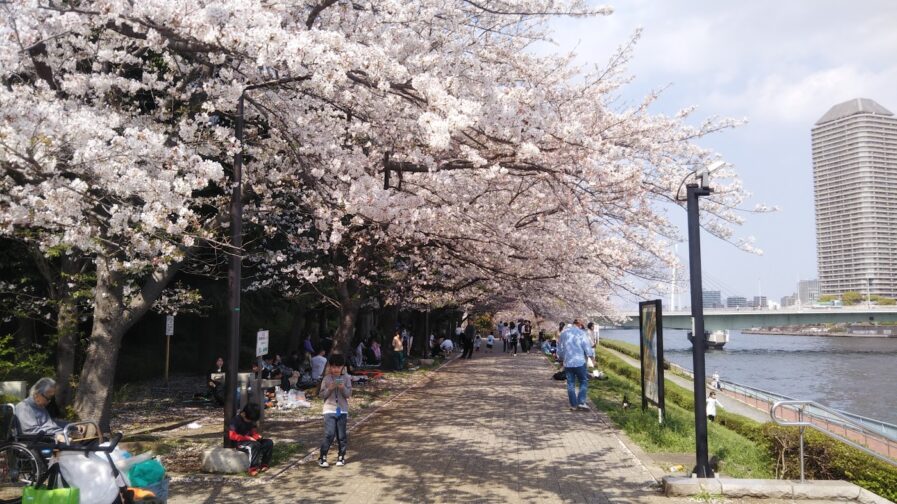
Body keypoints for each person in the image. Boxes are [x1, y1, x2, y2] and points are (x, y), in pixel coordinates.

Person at [318, 354, 352, 467]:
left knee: (341, 435)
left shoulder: (346, 378)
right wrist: (330, 388)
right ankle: (322, 456)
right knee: (329, 434)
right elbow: (321, 395)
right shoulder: (326, 378)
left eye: (338, 367)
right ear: (330, 367)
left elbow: (348, 394)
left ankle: (341, 456)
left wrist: (343, 387)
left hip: (342, 410)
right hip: (329, 409)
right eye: (333, 367)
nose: (336, 369)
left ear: (342, 367)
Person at [557, 319, 595, 411]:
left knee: (570, 384)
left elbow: (560, 347)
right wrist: (592, 357)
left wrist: (561, 358)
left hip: (568, 362)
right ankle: (581, 402)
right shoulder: (581, 333)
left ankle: (573, 405)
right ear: (579, 324)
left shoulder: (564, 333)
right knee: (583, 381)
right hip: (579, 361)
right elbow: (586, 346)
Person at [14, 377, 69, 442]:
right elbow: (31, 431)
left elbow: (51, 423)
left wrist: (73, 426)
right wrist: (56, 436)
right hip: (43, 442)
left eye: (51, 398)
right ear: (36, 394)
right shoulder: (24, 407)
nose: (49, 401)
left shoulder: (40, 407)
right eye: (48, 398)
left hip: (57, 436)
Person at [228, 403, 274, 476]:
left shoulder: (251, 419)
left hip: (251, 440)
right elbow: (232, 435)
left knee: (268, 442)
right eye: (249, 420)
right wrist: (247, 438)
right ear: (243, 414)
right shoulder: (235, 421)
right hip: (240, 443)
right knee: (254, 445)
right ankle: (253, 468)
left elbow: (253, 431)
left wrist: (256, 436)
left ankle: (264, 464)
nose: (250, 422)